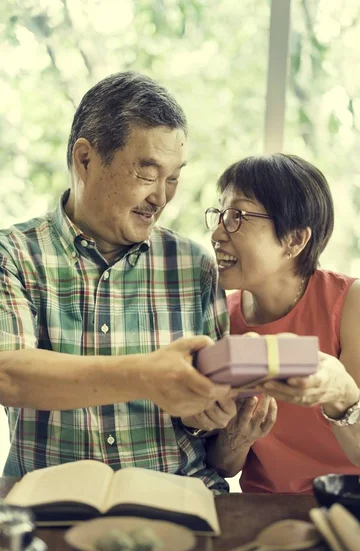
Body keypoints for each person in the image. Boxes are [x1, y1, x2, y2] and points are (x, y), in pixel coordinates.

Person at [0, 71, 234, 492]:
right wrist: (147, 374)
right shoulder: (13, 255)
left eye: (174, 177)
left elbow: (217, 443)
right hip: (51, 510)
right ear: (85, 159)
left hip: (182, 501)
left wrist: (211, 419)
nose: (161, 198)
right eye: (147, 174)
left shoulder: (194, 265)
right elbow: (8, 375)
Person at [183, 153, 360, 493]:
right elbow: (223, 467)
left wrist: (340, 391)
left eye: (237, 216)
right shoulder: (220, 316)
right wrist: (237, 438)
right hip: (271, 507)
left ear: (295, 240)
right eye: (220, 214)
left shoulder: (355, 302)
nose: (217, 233)